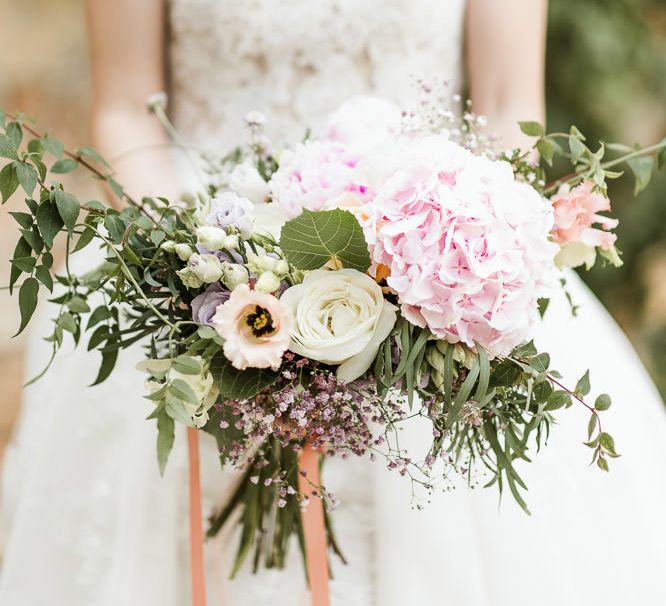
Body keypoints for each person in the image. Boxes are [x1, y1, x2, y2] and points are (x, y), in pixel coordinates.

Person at [1, 1, 665, 604]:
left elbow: (504, 104)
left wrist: (430, 272)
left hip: (422, 268)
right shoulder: (202, 267)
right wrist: (204, 273)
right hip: (203, 253)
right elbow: (123, 104)